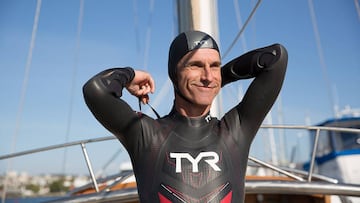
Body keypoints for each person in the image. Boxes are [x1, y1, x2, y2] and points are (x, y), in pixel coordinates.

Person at [83, 30, 288, 203]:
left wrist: (217, 80)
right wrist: (130, 74)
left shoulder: (235, 130)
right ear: (174, 73)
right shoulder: (147, 135)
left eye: (214, 65)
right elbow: (96, 90)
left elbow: (275, 58)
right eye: (196, 65)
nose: (208, 76)